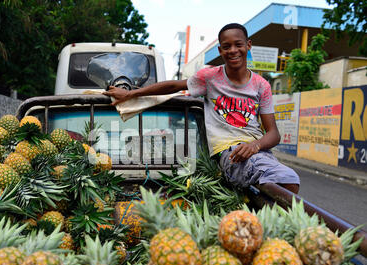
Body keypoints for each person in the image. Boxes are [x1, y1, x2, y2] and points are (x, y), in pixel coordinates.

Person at [104, 23, 300, 193]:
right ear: (221, 51)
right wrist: (130, 94)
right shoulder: (210, 78)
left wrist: (255, 145)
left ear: (248, 45)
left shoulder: (262, 85)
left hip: (259, 153)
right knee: (288, 180)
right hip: (230, 153)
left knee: (285, 183)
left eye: (238, 44)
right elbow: (173, 86)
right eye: (226, 46)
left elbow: (273, 134)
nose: (233, 50)